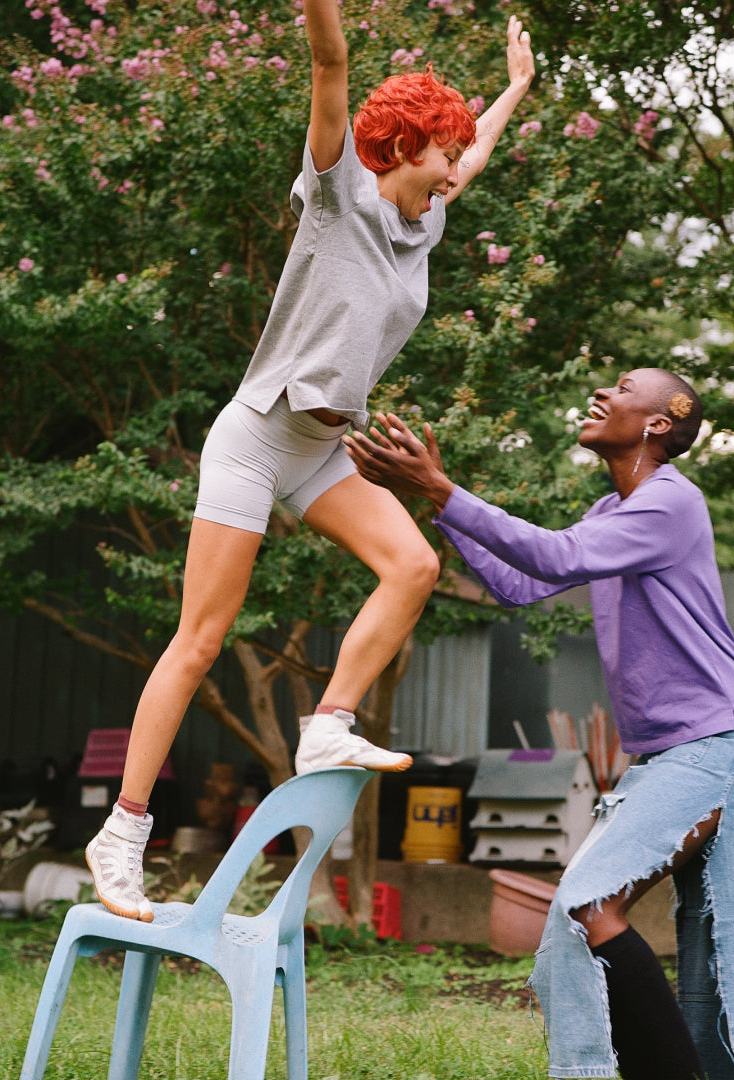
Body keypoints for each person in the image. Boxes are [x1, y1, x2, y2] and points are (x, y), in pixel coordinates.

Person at [85, 0, 535, 923]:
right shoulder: (335, 196)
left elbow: (477, 150)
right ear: (405, 149)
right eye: (442, 153)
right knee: (201, 638)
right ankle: (122, 834)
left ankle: (327, 725)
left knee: (412, 564)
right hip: (255, 440)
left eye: (455, 157)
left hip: (322, 448)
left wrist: (516, 91)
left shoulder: (426, 220)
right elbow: (330, 66)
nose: (457, 170)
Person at [344, 368, 734, 1080]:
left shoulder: (671, 503)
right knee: (691, 953)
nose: (602, 391)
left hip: (722, 743)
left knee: (613, 916)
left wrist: (443, 490)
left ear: (658, 423)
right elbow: (523, 582)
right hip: (688, 748)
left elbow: (557, 555)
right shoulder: (613, 512)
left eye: (623, 386)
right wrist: (441, 506)